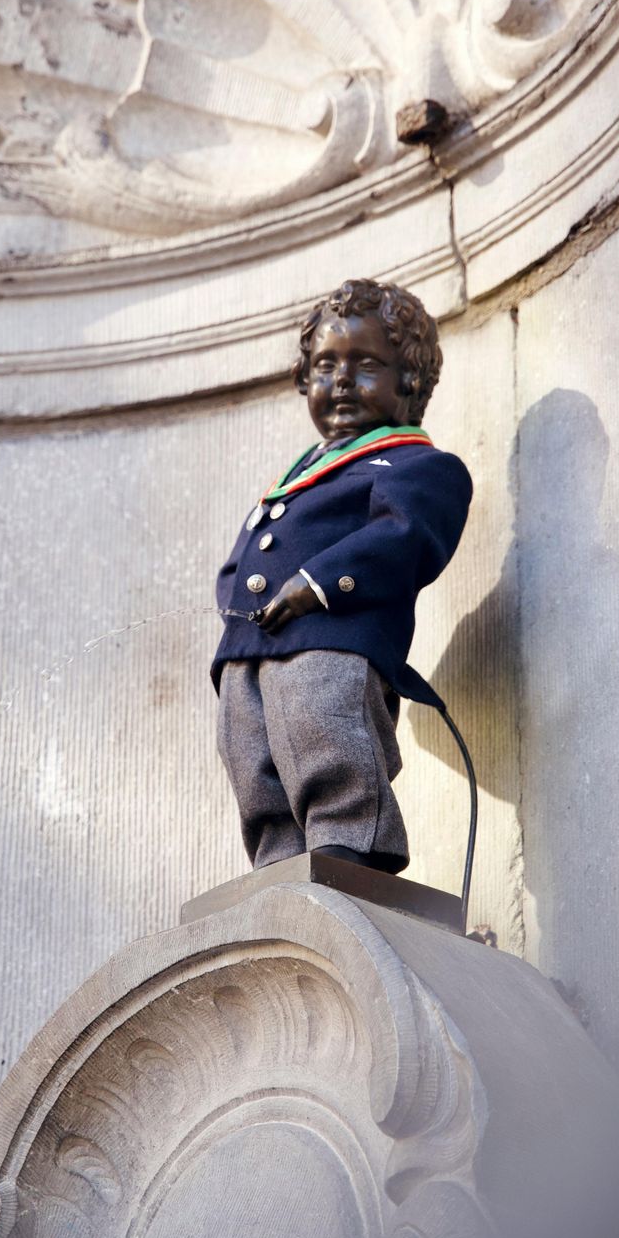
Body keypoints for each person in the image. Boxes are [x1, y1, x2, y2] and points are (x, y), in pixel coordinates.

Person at [212, 278, 473, 874]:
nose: (341, 381)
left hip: (333, 640)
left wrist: (320, 581)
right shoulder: (298, 473)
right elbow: (244, 557)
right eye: (325, 365)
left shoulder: (415, 465)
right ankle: (279, 862)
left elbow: (404, 535)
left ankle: (351, 844)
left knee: (325, 733)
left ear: (409, 379)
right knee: (252, 758)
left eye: (366, 365)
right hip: (252, 646)